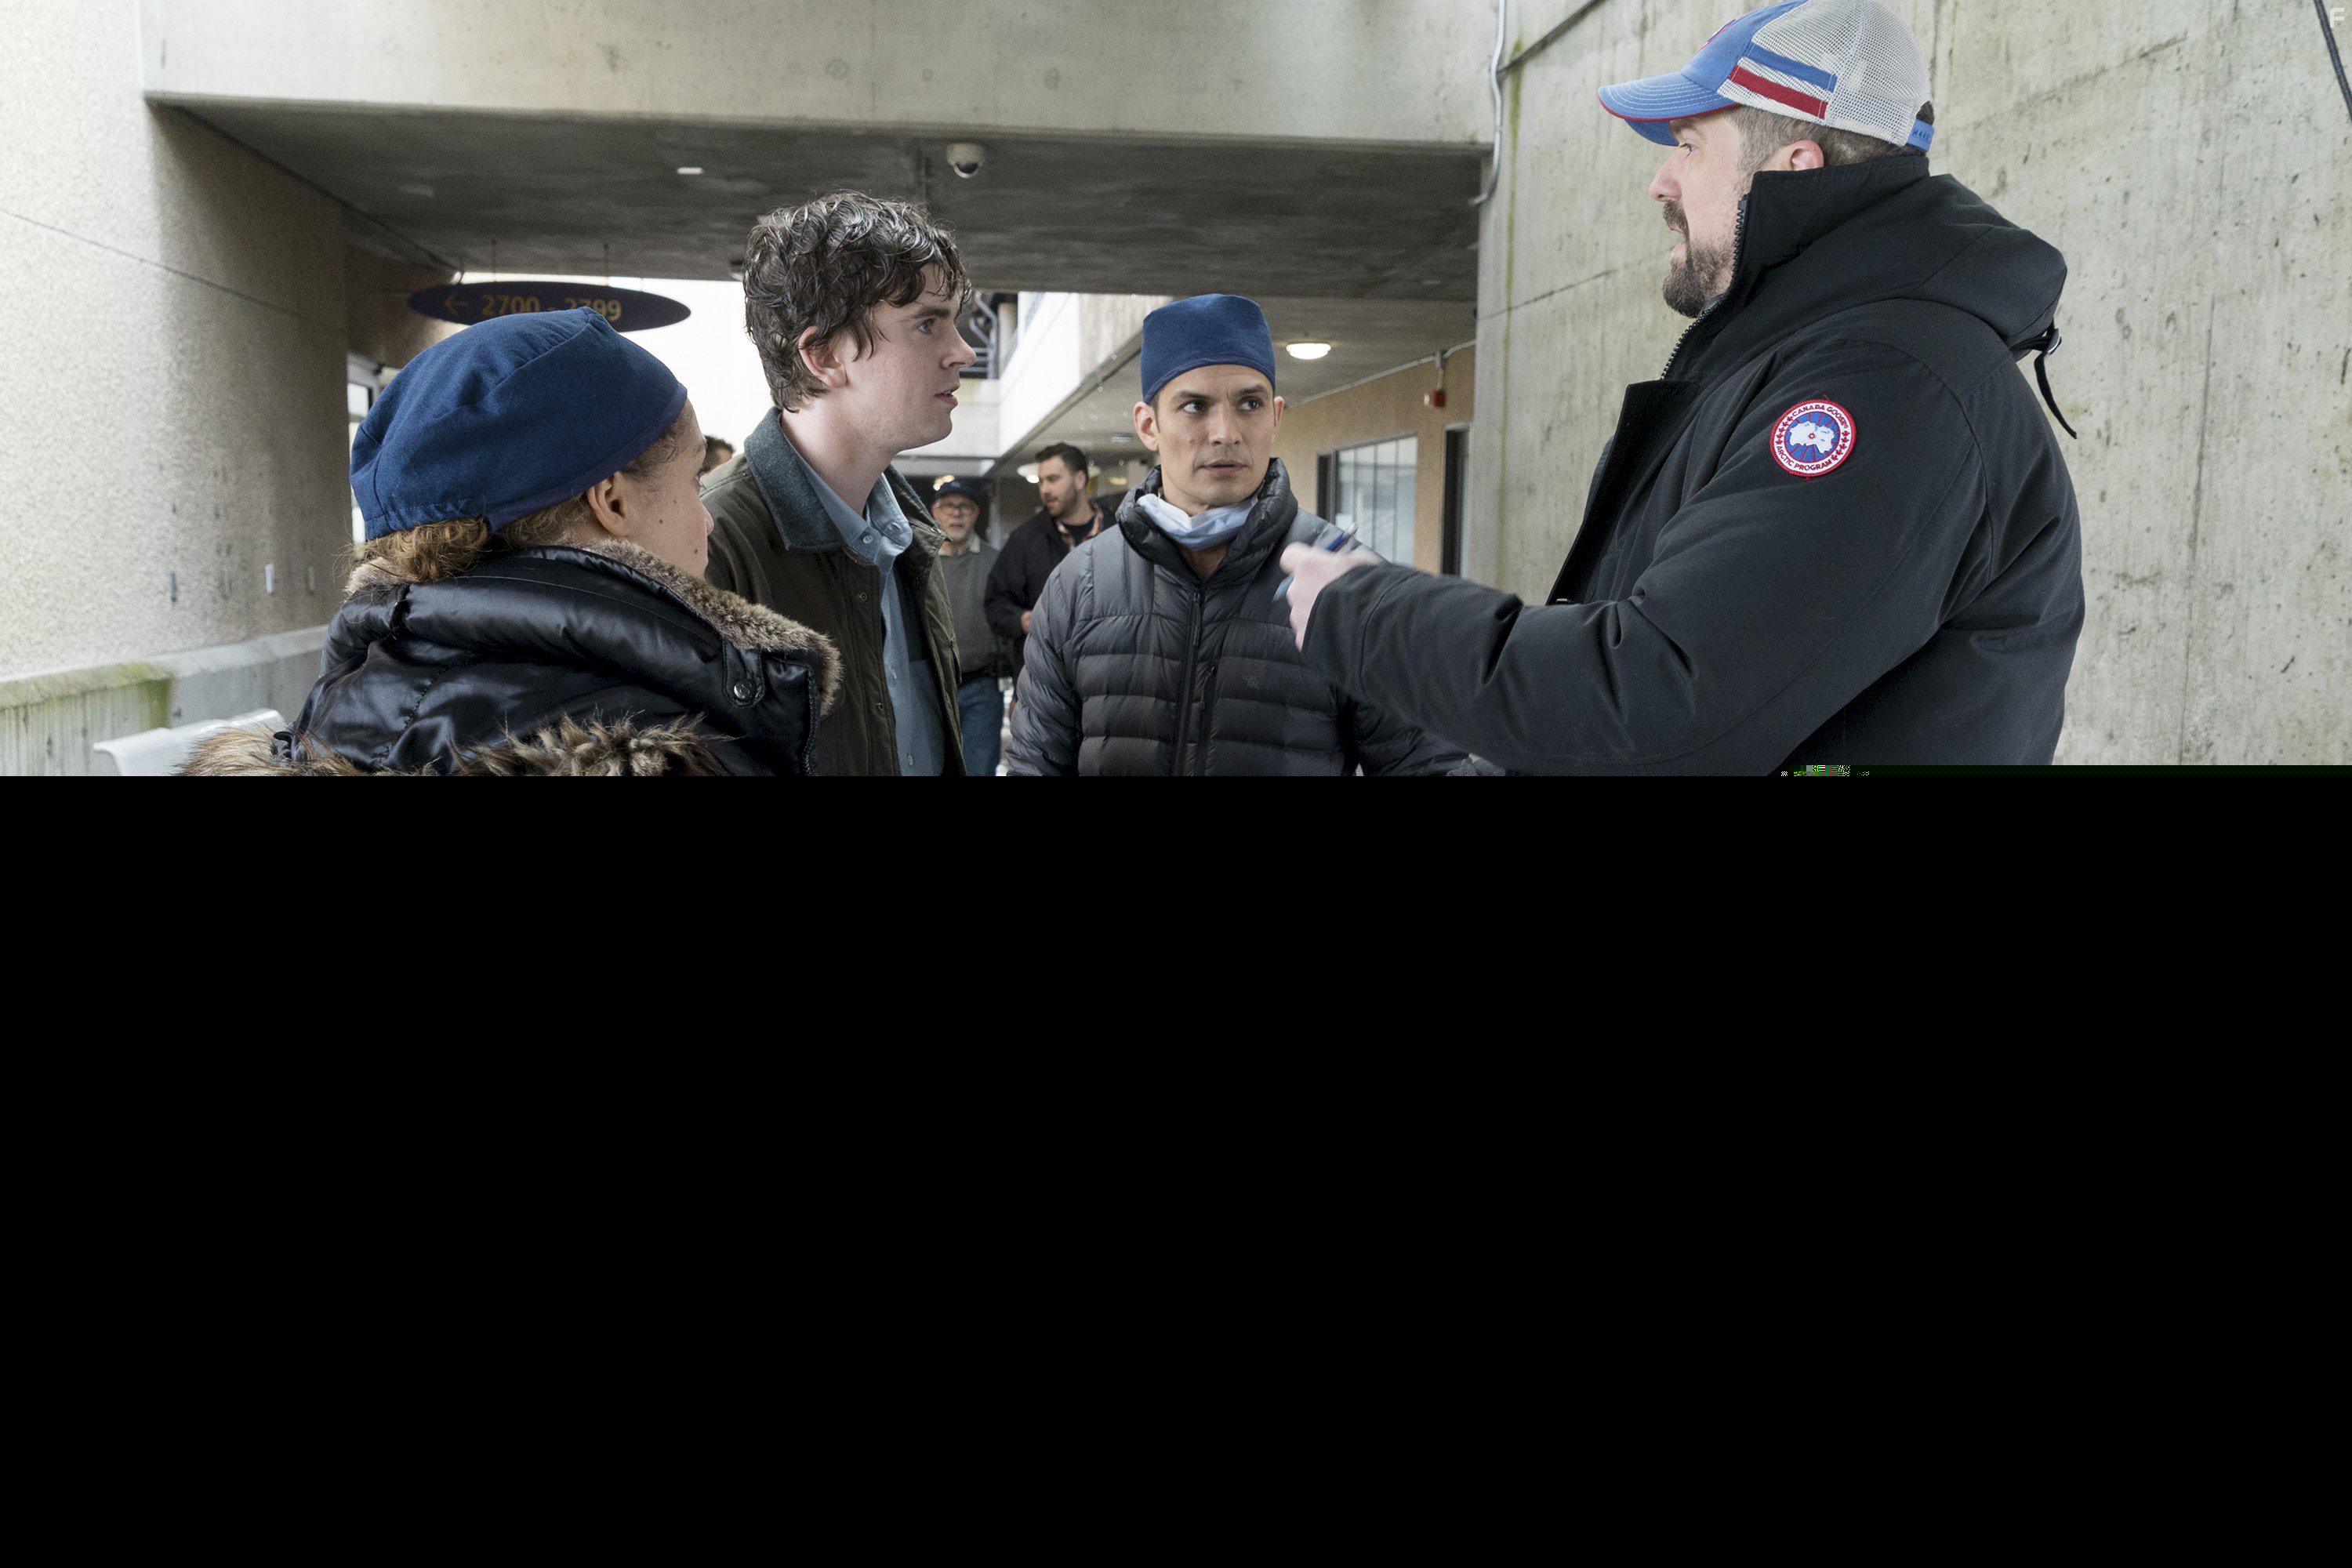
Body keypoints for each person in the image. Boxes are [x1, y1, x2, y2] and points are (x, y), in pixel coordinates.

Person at [1282, 0, 2085, 774]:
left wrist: (1365, 614)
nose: (1661, 183)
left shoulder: (1887, 389)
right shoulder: (1797, 365)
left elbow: (1659, 704)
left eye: (1690, 145)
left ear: (1794, 167)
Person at [183, 310, 837, 775]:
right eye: (694, 478)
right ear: (612, 500)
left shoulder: (332, 720)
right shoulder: (671, 743)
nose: (709, 518)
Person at [1004, 295, 1465, 777]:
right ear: (1148, 425)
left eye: (1249, 403)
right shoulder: (1081, 584)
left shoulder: (1345, 579)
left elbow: (1424, 763)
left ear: (1275, 417)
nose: (1225, 432)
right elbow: (1036, 763)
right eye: (1194, 407)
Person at [703, 191, 974, 776]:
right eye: (928, 324)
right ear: (824, 355)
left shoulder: (909, 536)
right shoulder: (710, 542)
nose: (963, 352)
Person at [985, 444, 1117, 678]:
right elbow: (995, 603)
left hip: (1109, 673)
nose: (1044, 489)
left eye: (1053, 479)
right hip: (1043, 679)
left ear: (1079, 479)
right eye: (1041, 481)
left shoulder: (1119, 533)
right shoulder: (1024, 540)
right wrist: (1022, 620)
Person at [932, 478, 1009, 776]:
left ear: (976, 513)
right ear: (934, 512)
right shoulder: (920, 562)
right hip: (933, 688)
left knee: (978, 770)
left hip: (982, 687)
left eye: (964, 506)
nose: (957, 513)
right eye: (948, 506)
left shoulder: (996, 562)